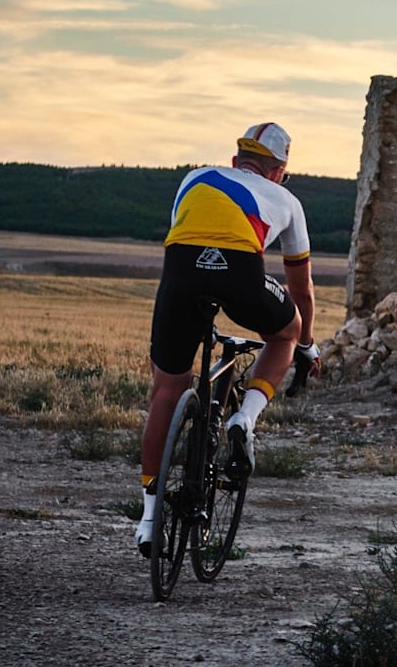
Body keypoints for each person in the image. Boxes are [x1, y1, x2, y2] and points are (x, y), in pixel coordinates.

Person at [136, 121, 319, 557]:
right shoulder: (288, 201)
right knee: (285, 331)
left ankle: (147, 520)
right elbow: (302, 290)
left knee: (166, 389)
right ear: (279, 171)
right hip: (241, 273)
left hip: (179, 271)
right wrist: (307, 343)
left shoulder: (194, 177)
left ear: (237, 161)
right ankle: (245, 418)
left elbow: (190, 235)